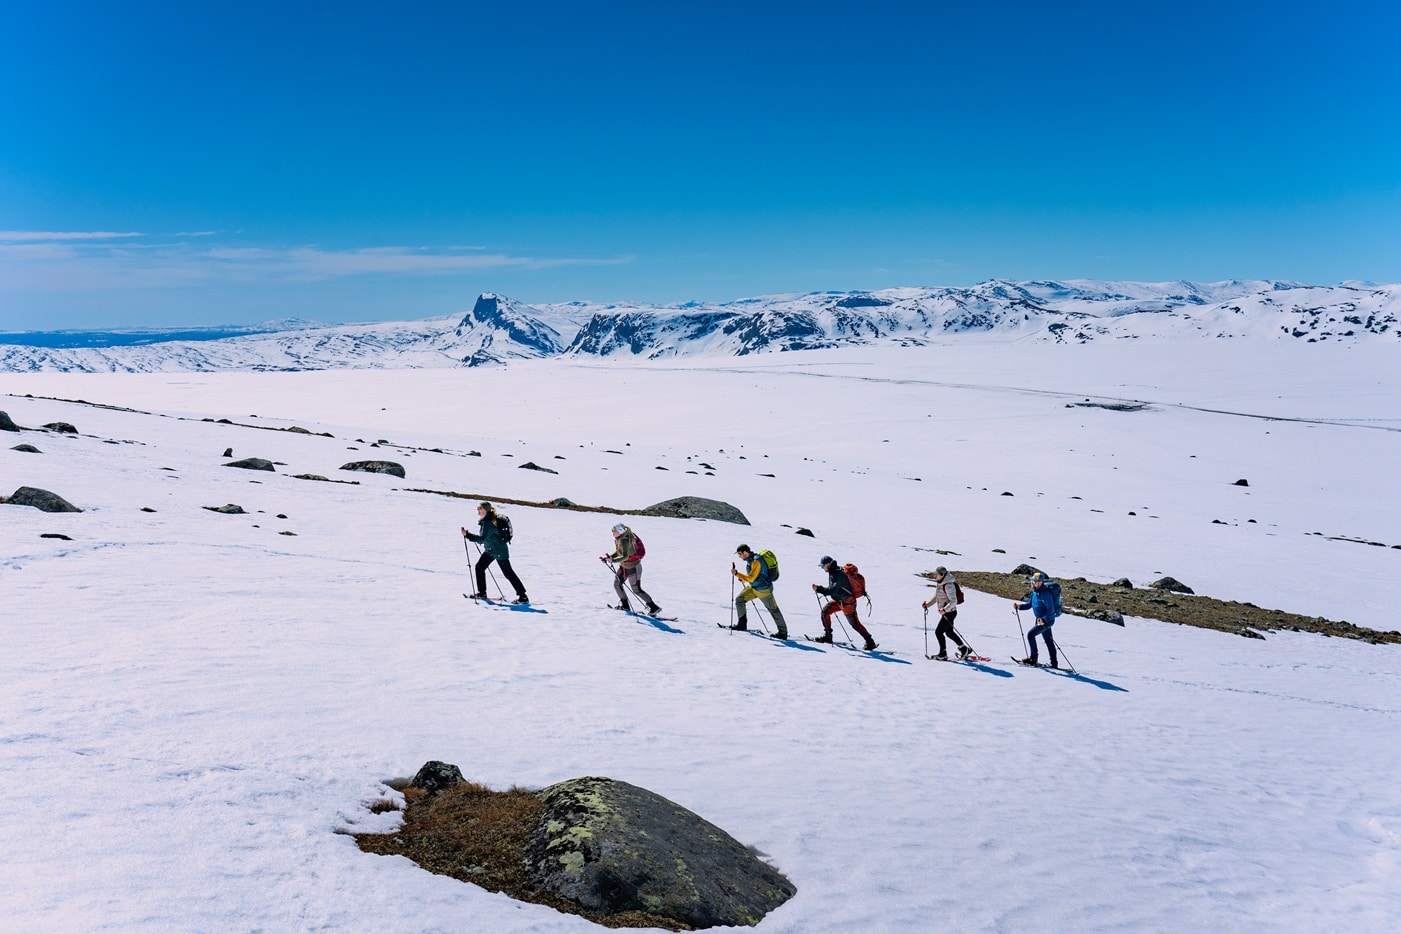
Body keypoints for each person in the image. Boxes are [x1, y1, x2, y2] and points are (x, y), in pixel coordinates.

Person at [461, 501, 528, 604]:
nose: (478, 511)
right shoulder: (486, 521)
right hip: (491, 550)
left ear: (485, 510)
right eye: (478, 508)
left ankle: (523, 597)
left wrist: (468, 535)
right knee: (479, 567)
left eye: (480, 508)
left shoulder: (488, 523)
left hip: (498, 551)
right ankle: (482, 593)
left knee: (508, 573)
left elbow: (482, 539)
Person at [812, 556, 877, 650]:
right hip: (840, 601)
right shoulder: (834, 571)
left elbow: (833, 590)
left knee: (855, 624)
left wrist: (819, 589)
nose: (822, 568)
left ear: (828, 564)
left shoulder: (837, 573)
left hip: (848, 604)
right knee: (825, 613)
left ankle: (870, 642)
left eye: (823, 566)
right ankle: (828, 637)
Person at [601, 523, 662, 616]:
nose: (612, 533)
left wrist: (613, 560)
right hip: (624, 566)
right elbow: (619, 552)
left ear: (620, 531)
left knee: (636, 589)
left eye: (614, 531)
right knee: (617, 584)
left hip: (634, 567)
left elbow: (625, 556)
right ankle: (625, 606)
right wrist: (609, 557)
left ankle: (654, 607)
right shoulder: (619, 539)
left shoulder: (625, 540)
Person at [730, 544, 787, 639]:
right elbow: (754, 577)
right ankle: (742, 625)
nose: (739, 556)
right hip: (754, 588)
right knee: (739, 600)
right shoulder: (750, 560)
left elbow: (751, 578)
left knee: (774, 610)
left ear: (745, 552)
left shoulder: (756, 561)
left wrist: (737, 574)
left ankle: (783, 633)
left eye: (740, 554)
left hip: (764, 590)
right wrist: (743, 578)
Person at [921, 566, 970, 659]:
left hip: (950, 613)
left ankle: (943, 654)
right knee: (949, 632)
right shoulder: (940, 583)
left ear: (942, 575)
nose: (935, 576)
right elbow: (937, 597)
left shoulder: (948, 585)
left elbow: (953, 601)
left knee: (938, 632)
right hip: (947, 612)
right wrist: (927, 604)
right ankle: (964, 649)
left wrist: (944, 610)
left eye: (937, 574)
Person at [1013, 571, 1060, 667]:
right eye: (1032, 581)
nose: (1032, 583)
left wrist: (1044, 619)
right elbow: (1030, 604)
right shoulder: (1035, 592)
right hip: (1040, 620)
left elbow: (1051, 609)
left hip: (1046, 621)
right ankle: (1054, 663)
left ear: (1040, 582)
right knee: (1048, 641)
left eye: (1034, 581)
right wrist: (1019, 607)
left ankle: (1033, 658)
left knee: (1031, 635)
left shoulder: (1045, 594)